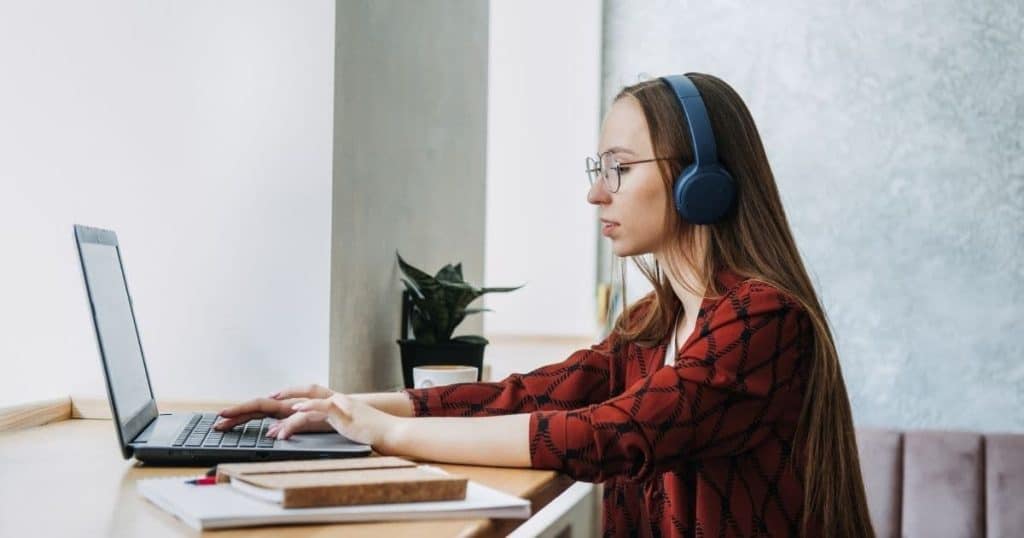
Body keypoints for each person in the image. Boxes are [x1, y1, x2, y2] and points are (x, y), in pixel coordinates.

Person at [216, 72, 874, 537]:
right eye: (599, 171)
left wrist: (388, 434)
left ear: (701, 183)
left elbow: (615, 434)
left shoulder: (764, 319)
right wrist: (344, 405)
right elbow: (532, 396)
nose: (598, 195)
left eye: (619, 168)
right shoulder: (652, 325)